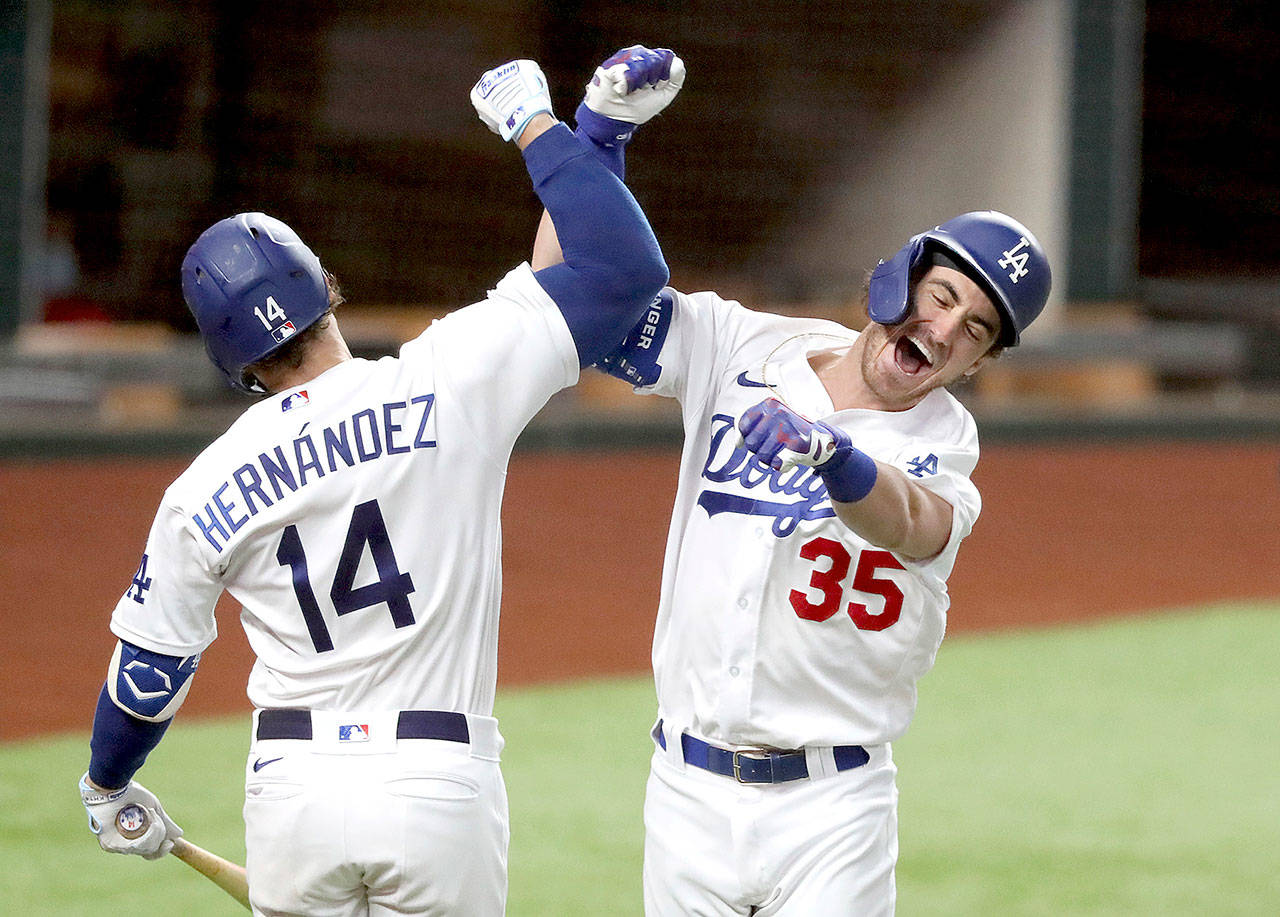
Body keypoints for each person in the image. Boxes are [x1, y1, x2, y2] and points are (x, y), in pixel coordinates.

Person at [77, 54, 679, 916]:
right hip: (435, 783)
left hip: (292, 796)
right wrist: (556, 132)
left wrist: (108, 782)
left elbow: (147, 674)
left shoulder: (199, 488)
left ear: (231, 361)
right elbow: (614, 268)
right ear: (324, 284)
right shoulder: (445, 377)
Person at [535, 50, 1052, 915]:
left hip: (832, 809)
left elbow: (915, 524)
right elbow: (569, 299)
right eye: (943, 293)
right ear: (901, 276)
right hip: (687, 791)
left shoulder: (944, 443)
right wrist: (596, 143)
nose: (947, 327)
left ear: (978, 362)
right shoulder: (743, 347)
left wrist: (834, 457)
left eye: (975, 328)